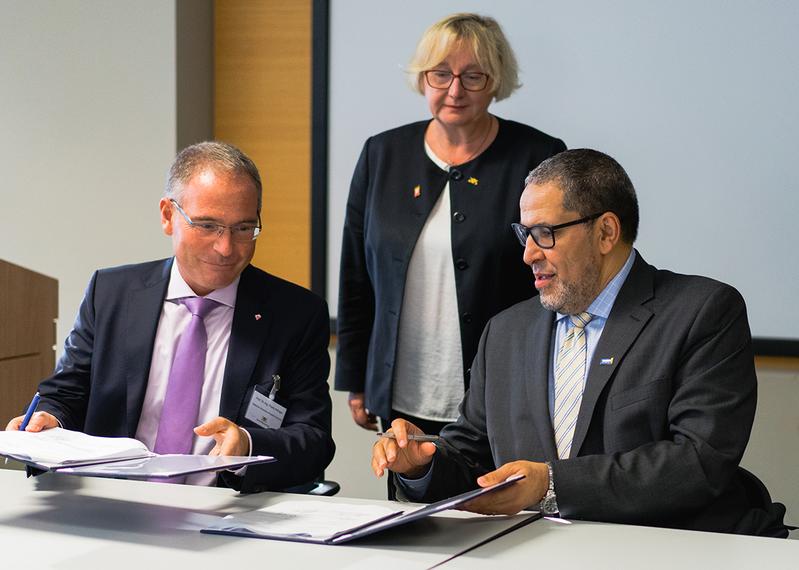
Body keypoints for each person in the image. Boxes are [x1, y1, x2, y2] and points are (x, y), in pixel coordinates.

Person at [372, 149, 788, 537]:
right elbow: (471, 454)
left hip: (670, 546)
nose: (528, 254)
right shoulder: (506, 331)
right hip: (536, 549)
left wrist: (550, 484)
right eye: (525, 234)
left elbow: (699, 463)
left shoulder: (702, 311)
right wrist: (423, 463)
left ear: (606, 231)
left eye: (545, 233)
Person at [6, 141, 335, 493]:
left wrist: (248, 444)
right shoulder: (112, 293)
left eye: (243, 229)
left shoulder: (295, 314)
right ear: (167, 215)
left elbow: (313, 440)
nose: (225, 248)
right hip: (113, 505)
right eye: (207, 226)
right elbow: (66, 393)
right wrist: (49, 420)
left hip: (225, 513)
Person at [336, 13, 566, 439]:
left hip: (506, 389)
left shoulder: (538, 157)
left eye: (473, 76)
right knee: (413, 501)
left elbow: (559, 274)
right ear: (423, 79)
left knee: (499, 503)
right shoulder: (381, 155)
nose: (455, 90)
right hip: (404, 393)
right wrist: (356, 374)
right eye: (441, 74)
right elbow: (356, 276)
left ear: (496, 81)